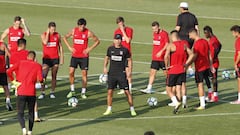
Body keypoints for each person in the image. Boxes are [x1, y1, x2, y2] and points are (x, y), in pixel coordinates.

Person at [7, 51, 43, 135]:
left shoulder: (20, 63)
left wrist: (13, 81)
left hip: (21, 91)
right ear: (34, 58)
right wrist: (41, 82)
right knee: (31, 112)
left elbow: (8, 71)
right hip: (31, 93)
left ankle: (23, 129)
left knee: (20, 113)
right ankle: (30, 131)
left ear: (27, 57)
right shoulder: (37, 65)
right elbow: (40, 79)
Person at [63, 18, 100, 99]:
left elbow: (97, 41)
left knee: (84, 74)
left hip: (84, 57)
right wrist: (69, 47)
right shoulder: (74, 31)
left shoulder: (88, 32)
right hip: (75, 56)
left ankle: (83, 92)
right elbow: (65, 37)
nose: (81, 28)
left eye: (83, 26)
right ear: (78, 25)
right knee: (71, 72)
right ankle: (72, 90)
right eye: (80, 26)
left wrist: (89, 49)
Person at [102, 34, 137, 116]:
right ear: (113, 40)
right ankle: (109, 109)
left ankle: (132, 109)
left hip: (121, 74)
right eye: (116, 39)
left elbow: (129, 60)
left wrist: (129, 71)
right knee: (110, 92)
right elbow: (107, 58)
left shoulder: (125, 50)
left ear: (121, 40)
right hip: (112, 74)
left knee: (127, 92)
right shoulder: (110, 49)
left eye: (119, 39)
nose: (118, 41)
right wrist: (104, 67)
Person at [9, 38, 42, 122]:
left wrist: (14, 81)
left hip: (18, 81)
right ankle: (36, 116)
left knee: (19, 100)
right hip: (29, 79)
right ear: (24, 45)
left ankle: (20, 116)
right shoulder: (28, 54)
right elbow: (36, 64)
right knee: (33, 97)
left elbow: (11, 69)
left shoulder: (13, 55)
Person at [164, 30, 194, 114]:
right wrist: (186, 64)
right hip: (182, 70)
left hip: (173, 70)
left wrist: (166, 66)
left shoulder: (171, 45)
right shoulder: (184, 44)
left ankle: (176, 102)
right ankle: (179, 103)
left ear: (172, 37)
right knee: (178, 87)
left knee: (168, 89)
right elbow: (191, 54)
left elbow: (166, 57)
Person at [189, 28, 215, 110]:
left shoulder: (197, 44)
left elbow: (195, 56)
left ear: (193, 34)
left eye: (190, 34)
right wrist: (211, 65)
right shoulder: (205, 41)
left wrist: (188, 64)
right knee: (205, 82)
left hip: (200, 67)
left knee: (199, 85)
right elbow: (209, 54)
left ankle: (202, 104)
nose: (189, 36)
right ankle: (205, 99)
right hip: (206, 66)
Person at [140, 21, 169, 94]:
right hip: (155, 58)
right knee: (152, 72)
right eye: (153, 29)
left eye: (155, 29)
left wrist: (161, 52)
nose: (154, 30)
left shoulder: (164, 34)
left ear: (159, 27)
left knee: (166, 74)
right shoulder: (154, 34)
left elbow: (167, 44)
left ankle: (168, 88)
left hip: (163, 58)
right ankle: (149, 88)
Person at [38, 22, 64, 99]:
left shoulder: (57, 35)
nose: (53, 31)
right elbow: (45, 42)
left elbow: (60, 47)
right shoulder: (43, 35)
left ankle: (52, 92)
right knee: (44, 75)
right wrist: (48, 34)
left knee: (54, 75)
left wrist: (62, 58)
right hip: (46, 59)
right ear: (48, 28)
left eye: (54, 29)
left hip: (55, 58)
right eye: (52, 29)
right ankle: (42, 92)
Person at [175, 2, 199, 77]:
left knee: (183, 55)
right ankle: (190, 69)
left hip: (182, 38)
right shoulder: (193, 16)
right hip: (191, 38)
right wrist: (197, 38)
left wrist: (174, 35)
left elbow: (177, 28)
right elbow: (197, 28)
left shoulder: (180, 16)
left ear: (182, 8)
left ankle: (185, 69)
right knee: (190, 53)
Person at [114, 16, 133, 95]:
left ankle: (130, 88)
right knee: (120, 72)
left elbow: (128, 40)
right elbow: (115, 43)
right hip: (119, 54)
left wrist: (123, 31)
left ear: (123, 22)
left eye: (121, 23)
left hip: (127, 54)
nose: (120, 25)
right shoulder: (116, 31)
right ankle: (122, 88)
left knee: (128, 72)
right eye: (118, 24)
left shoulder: (129, 30)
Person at [203, 26, 222, 102]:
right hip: (209, 63)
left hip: (213, 64)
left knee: (213, 78)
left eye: (205, 33)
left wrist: (213, 59)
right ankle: (210, 92)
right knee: (205, 76)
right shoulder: (213, 39)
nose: (205, 35)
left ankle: (215, 96)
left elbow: (215, 50)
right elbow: (220, 45)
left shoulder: (213, 41)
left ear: (209, 32)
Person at [0, 41, 13, 111]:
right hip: (2, 69)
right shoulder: (2, 45)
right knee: (5, 86)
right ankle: (8, 101)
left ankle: (8, 101)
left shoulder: (2, 44)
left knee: (5, 86)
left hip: (2, 69)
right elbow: (9, 55)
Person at [230, 25, 240, 104]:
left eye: (233, 33)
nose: (232, 34)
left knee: (239, 80)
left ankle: (239, 99)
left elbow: (239, 54)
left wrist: (236, 63)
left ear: (236, 32)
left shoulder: (238, 41)